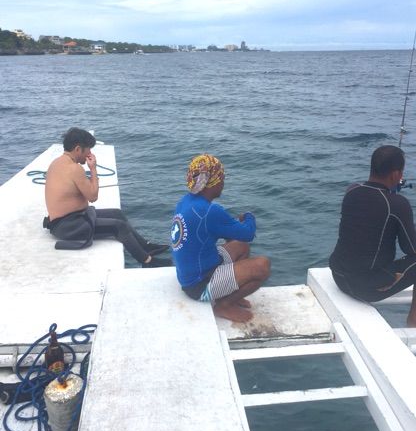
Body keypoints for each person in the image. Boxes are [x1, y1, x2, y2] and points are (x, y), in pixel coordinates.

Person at [329, 145, 416, 332]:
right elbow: (410, 248)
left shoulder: (351, 190)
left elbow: (371, 209)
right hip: (365, 288)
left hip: (338, 276)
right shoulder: (398, 204)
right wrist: (398, 203)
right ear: (395, 175)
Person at [44, 127, 169, 267]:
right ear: (78, 149)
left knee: (117, 214)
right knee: (119, 227)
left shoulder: (56, 163)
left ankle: (146, 246)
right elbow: (93, 196)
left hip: (68, 221)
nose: (90, 154)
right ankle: (147, 261)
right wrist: (93, 169)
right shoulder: (74, 168)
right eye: (88, 150)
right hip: (70, 227)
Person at [171, 154, 270, 322]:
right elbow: (248, 233)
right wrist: (249, 216)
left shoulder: (185, 201)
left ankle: (231, 294)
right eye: (221, 177)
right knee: (262, 266)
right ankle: (224, 305)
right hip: (199, 285)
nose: (223, 182)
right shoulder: (209, 211)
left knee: (242, 246)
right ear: (213, 182)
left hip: (190, 274)